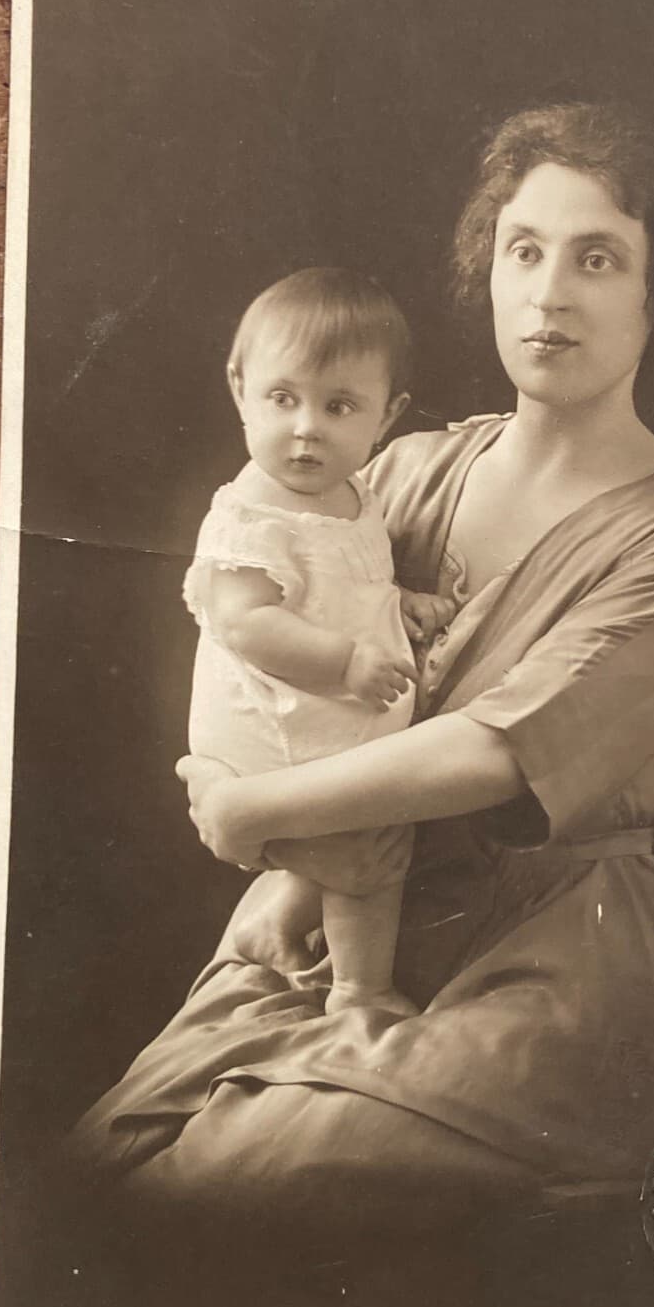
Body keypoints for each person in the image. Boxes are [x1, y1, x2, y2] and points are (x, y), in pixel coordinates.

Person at [74, 102, 654, 1248]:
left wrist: (250, 809)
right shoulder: (399, 468)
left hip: (556, 956)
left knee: (204, 1195)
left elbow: (498, 750)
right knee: (97, 1169)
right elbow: (274, 640)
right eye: (523, 250)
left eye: (598, 258)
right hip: (345, 911)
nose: (548, 293)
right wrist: (288, 867)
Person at [180, 267, 451, 1018]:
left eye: (338, 406)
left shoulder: (353, 495)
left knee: (360, 823)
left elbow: (345, 587)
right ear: (241, 389)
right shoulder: (250, 516)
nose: (307, 427)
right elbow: (247, 622)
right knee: (369, 845)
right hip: (270, 721)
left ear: (385, 415)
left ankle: (278, 924)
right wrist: (346, 662)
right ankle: (361, 993)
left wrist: (404, 603)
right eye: (282, 398)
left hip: (322, 706)